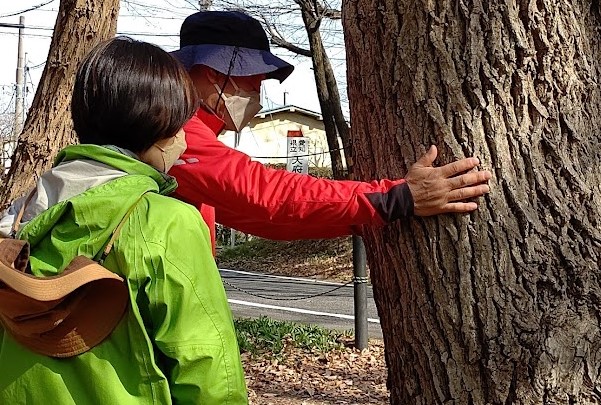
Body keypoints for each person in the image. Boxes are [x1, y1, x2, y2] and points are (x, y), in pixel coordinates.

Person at [0, 37, 247, 404]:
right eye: (179, 127)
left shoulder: (19, 215)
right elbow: (206, 362)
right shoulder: (165, 222)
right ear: (157, 127)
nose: (182, 141)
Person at [168, 11, 492, 251]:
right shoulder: (171, 134)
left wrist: (361, 217)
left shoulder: (178, 131)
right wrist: (398, 198)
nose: (257, 88)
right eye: (249, 75)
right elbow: (267, 196)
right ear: (209, 71)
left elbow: (267, 219)